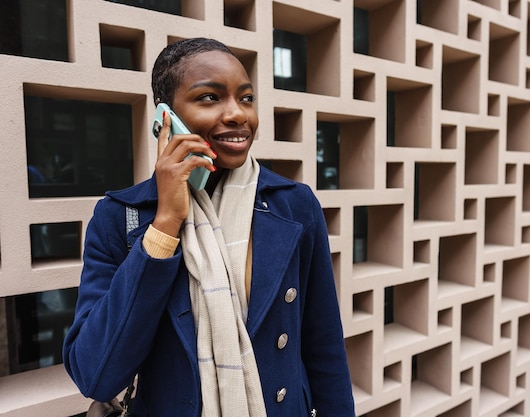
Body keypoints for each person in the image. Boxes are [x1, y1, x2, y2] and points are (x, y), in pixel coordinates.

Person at [62, 38, 355, 417]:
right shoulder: (121, 218)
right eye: (209, 98)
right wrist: (165, 224)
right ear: (165, 118)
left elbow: (324, 347)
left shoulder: (294, 205)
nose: (237, 114)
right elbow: (95, 375)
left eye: (246, 98)